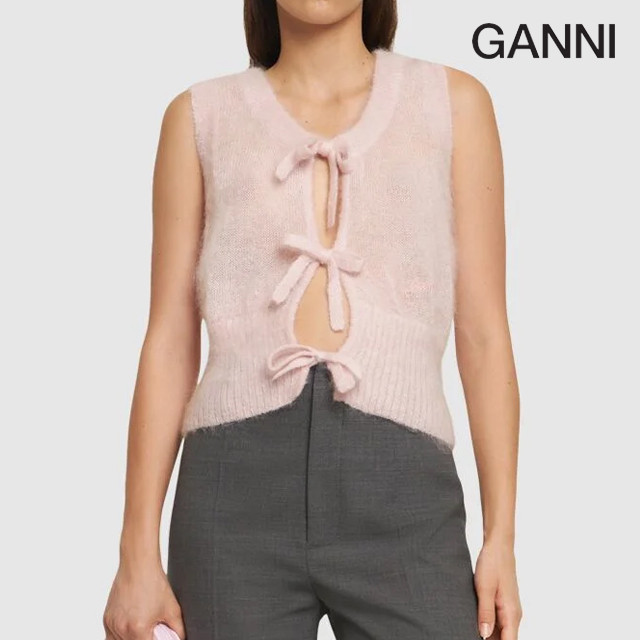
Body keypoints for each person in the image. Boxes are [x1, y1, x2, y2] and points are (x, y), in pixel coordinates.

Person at [103, 1, 523, 639]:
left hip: (406, 491)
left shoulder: (453, 103)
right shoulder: (199, 116)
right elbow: (168, 338)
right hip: (231, 495)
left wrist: (501, 539)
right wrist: (136, 550)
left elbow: (485, 334)